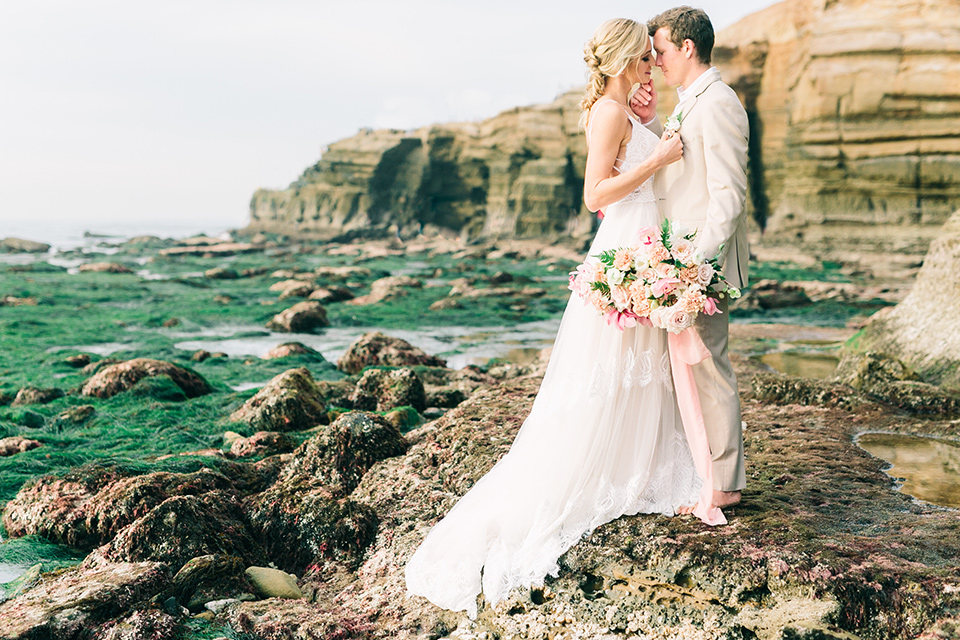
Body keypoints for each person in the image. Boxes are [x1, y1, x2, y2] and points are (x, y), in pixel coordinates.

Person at [405, 18, 698, 620]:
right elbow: (596, 195)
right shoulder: (610, 114)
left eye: (653, 58)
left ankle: (636, 463)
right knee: (615, 365)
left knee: (637, 364)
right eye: (644, 59)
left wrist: (646, 122)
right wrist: (661, 152)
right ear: (623, 59)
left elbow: (624, 164)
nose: (651, 67)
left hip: (639, 240)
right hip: (624, 240)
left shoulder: (619, 110)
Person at [632, 6, 749, 510]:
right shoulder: (692, 101)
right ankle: (709, 474)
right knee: (689, 367)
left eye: (659, 50)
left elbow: (728, 195)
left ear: (686, 47)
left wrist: (695, 267)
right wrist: (650, 123)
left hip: (703, 266)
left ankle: (724, 483)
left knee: (708, 366)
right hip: (682, 265)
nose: (655, 60)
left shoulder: (718, 102)